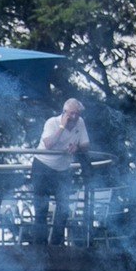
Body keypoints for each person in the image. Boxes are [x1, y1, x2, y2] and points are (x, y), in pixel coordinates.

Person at [33, 97, 91, 246]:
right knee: (41, 208)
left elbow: (85, 144)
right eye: (71, 114)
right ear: (64, 112)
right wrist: (61, 127)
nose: (74, 117)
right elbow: (48, 144)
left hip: (63, 169)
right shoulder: (52, 122)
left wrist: (76, 147)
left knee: (64, 207)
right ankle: (40, 245)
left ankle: (56, 243)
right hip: (43, 166)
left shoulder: (80, 123)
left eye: (77, 114)